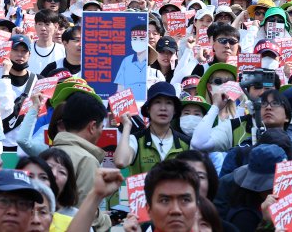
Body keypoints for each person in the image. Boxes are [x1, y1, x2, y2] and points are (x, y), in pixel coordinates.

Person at [50, 90, 111, 232]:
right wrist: (105, 221)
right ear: (92, 127)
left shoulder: (46, 154)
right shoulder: (87, 160)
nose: (102, 132)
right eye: (102, 127)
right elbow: (84, 212)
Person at [115, 81, 191, 174]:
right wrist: (127, 126)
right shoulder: (135, 140)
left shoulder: (187, 143)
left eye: (169, 103)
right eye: (157, 102)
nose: (163, 108)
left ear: (175, 110)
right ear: (148, 108)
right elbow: (120, 162)